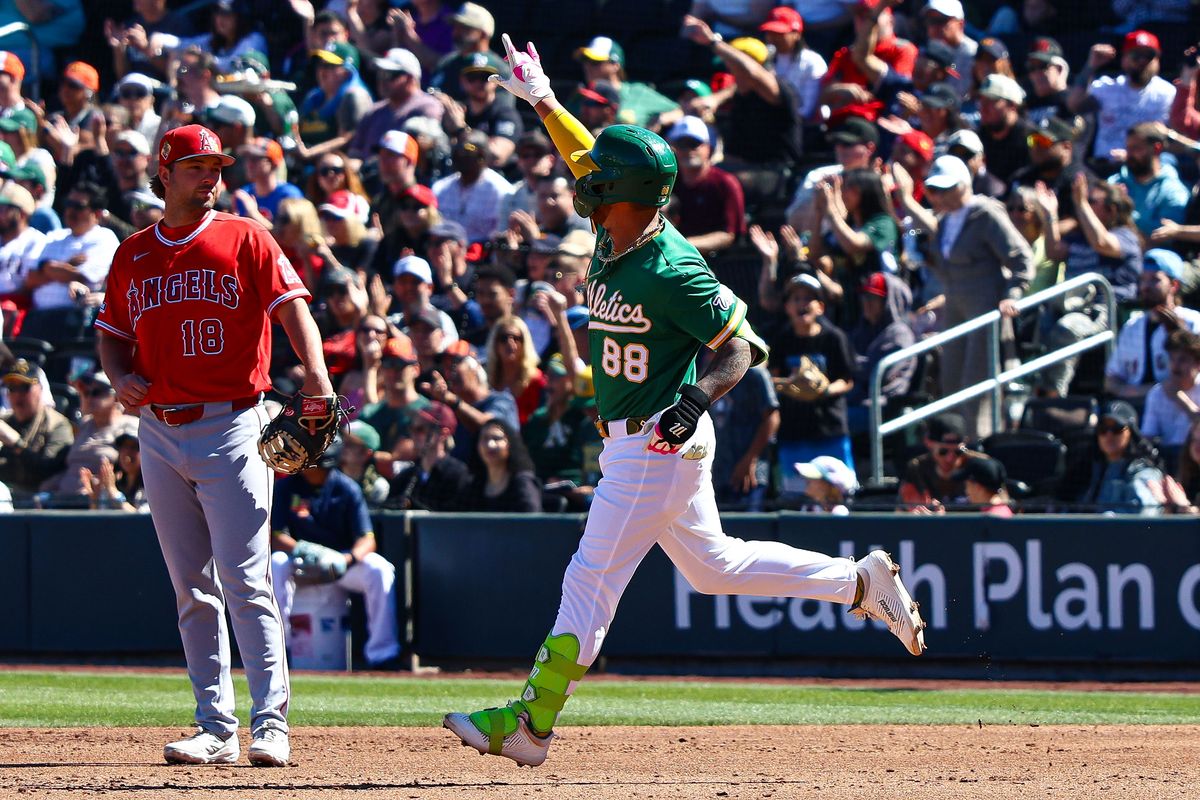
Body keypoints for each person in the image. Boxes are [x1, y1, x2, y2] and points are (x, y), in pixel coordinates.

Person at [443, 34, 927, 769]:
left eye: (598, 181)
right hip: (637, 439)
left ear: (621, 195)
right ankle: (861, 582)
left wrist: (696, 399)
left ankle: (531, 722)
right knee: (715, 569)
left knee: (588, 578)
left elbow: (742, 348)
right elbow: (586, 155)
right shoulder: (615, 222)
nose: (585, 183)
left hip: (657, 441)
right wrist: (541, 96)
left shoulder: (674, 267)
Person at [95, 124, 336, 767]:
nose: (211, 176)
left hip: (233, 422)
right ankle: (215, 725)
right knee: (191, 586)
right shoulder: (133, 253)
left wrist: (314, 373)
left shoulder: (244, 236)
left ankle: (271, 722)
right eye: (198, 166)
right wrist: (119, 376)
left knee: (244, 577)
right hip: (159, 430)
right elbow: (112, 334)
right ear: (166, 174)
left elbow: (293, 309)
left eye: (216, 166)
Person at [893, 155, 1033, 440]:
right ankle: (956, 448)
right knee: (952, 381)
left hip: (984, 311)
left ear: (964, 185)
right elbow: (947, 263)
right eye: (935, 190)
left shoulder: (985, 214)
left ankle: (979, 444)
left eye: (946, 189)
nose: (939, 196)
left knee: (977, 383)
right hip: (956, 312)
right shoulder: (946, 221)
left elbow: (1021, 257)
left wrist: (1013, 294)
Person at [269, 444, 401, 669]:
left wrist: (346, 559)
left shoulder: (346, 487)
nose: (309, 467)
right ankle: (280, 650)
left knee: (379, 569)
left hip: (339, 563)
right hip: (301, 559)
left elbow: (367, 539)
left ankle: (383, 654)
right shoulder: (287, 486)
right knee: (276, 563)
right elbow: (275, 535)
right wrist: (304, 549)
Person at [1035, 175, 1141, 396]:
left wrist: (1081, 204)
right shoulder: (1079, 237)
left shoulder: (1125, 236)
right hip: (1070, 304)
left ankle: (1054, 394)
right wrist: (1050, 214)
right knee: (1040, 323)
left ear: (1111, 210)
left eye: (1092, 201)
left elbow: (1101, 243)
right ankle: (1036, 388)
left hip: (1102, 309)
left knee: (1068, 328)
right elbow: (1054, 251)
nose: (1083, 202)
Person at [1068, 30, 1176, 171]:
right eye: (1136, 55)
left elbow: (1177, 142)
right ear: (1124, 59)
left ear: (1157, 60)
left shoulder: (1168, 93)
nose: (1142, 61)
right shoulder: (1108, 88)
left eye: (1149, 56)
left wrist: (1131, 156)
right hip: (1104, 166)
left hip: (1146, 169)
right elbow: (1074, 105)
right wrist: (1091, 65)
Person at [1105, 248, 1200, 403]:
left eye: (1154, 280)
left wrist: (1181, 335)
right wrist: (1136, 392)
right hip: (1134, 404)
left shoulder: (1193, 321)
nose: (1145, 286)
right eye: (1143, 279)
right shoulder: (1132, 326)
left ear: (1174, 285)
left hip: (1181, 404)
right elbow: (1111, 380)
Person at [664, 116, 745, 256]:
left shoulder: (725, 183)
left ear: (708, 147)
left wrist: (682, 245)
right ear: (674, 149)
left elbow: (728, 235)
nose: (689, 150)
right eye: (683, 144)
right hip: (673, 256)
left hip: (719, 262)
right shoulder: (668, 182)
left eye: (694, 143)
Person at [348, 47, 441, 166]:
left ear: (410, 78)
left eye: (389, 75)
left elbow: (424, 154)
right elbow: (356, 153)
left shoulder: (427, 107)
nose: (382, 80)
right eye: (380, 74)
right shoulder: (373, 111)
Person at [0, 359, 73, 502]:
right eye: (12, 388)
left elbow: (47, 470)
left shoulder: (58, 425)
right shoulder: (4, 421)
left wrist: (16, 443)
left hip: (39, 502)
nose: (17, 395)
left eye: (24, 387)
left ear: (40, 389)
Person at [1077, 400, 1165, 514]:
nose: (1109, 435)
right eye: (1103, 429)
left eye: (1117, 428)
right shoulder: (1088, 470)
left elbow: (1143, 514)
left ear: (1131, 432)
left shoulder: (1143, 472)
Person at [1107, 122, 1189, 239]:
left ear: (1157, 148)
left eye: (1136, 148)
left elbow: (1159, 239)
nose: (1129, 154)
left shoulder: (1173, 191)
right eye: (1128, 148)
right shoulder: (1115, 182)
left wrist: (1124, 212)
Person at [386, 400, 470, 510]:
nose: (413, 434)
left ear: (443, 433)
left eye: (420, 429)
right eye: (412, 428)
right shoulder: (404, 478)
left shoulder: (458, 475)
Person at [896, 413, 987, 512]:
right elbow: (902, 512)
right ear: (929, 443)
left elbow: (998, 507)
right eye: (943, 452)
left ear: (965, 443)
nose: (950, 458)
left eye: (958, 452)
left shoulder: (981, 466)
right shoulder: (917, 468)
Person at [1141, 330, 1200, 451]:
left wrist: (1181, 400)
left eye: (1182, 360)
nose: (1175, 366)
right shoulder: (1157, 394)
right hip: (1167, 458)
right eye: (1172, 359)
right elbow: (1148, 437)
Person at [465, 417, 541, 512]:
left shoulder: (522, 482)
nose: (490, 445)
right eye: (484, 439)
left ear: (510, 443)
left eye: (497, 438)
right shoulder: (474, 485)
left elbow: (531, 520)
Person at [484, 315, 545, 426]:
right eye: (503, 338)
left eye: (516, 338)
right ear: (495, 344)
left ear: (524, 343)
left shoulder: (536, 380)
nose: (510, 343)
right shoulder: (486, 379)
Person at [794, 455, 858, 514]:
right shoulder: (809, 508)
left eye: (809, 482)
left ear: (832, 486)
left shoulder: (840, 512)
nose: (806, 485)